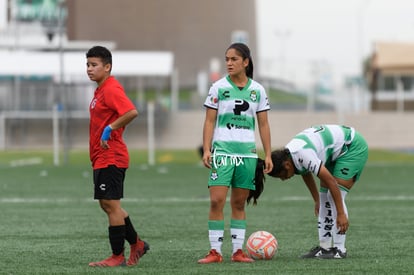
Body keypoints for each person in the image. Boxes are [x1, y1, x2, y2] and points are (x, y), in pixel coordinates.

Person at [198, 42, 273, 264]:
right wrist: (206, 149)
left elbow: (264, 125)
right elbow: (209, 121)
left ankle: (238, 251)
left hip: (247, 155)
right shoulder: (218, 87)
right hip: (222, 152)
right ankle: (215, 251)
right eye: (227, 59)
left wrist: (267, 154)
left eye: (234, 59)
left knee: (239, 204)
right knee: (216, 200)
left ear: (246, 62)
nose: (229, 63)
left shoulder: (257, 90)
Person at [86, 46, 149, 267]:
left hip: (111, 156)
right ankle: (137, 244)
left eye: (94, 65)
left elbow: (131, 111)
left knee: (111, 205)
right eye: (88, 65)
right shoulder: (100, 90)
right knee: (107, 204)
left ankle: (116, 256)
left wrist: (109, 129)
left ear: (107, 67)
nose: (89, 69)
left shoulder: (111, 88)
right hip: (102, 157)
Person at [267, 124, 368, 259]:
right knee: (323, 197)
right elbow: (304, 171)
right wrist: (316, 199)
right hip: (334, 153)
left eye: (282, 176)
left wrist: (341, 214)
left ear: (286, 165)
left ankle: (340, 249)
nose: (284, 180)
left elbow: (332, 183)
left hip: (351, 147)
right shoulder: (290, 155)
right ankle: (325, 248)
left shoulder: (302, 154)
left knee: (333, 195)